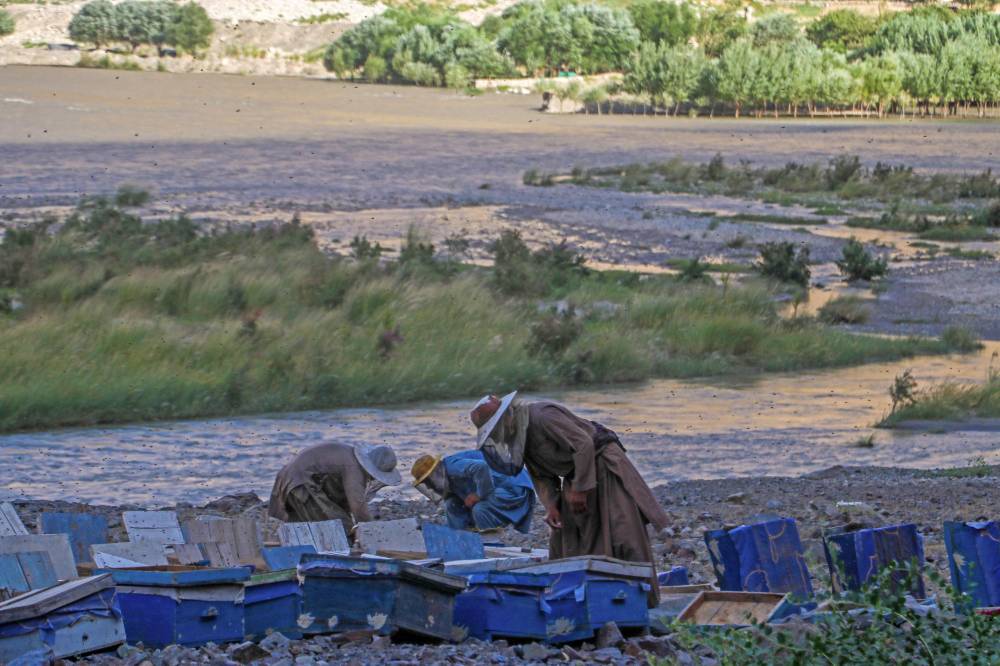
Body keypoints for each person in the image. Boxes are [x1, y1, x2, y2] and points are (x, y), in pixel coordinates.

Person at [471, 391, 670, 601]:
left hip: (602, 464)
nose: (497, 436)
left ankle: (642, 601)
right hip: (575, 475)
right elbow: (542, 476)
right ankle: (585, 599)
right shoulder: (521, 438)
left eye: (495, 429)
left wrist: (580, 489)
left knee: (623, 532)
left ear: (506, 418)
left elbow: (584, 444)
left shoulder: (543, 416)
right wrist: (551, 506)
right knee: (567, 536)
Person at [268, 442, 402, 527]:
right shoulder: (353, 468)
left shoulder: (347, 456)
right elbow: (358, 506)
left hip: (290, 478)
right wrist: (370, 531)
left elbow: (342, 500)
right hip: (300, 483)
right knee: (340, 526)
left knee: (302, 529)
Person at [411, 450, 536, 533]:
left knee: (480, 508)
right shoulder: (447, 477)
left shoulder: (452, 466)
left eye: (428, 482)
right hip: (498, 487)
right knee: (451, 503)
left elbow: (481, 467)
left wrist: (478, 495)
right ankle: (460, 537)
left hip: (515, 486)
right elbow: (453, 502)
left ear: (435, 474)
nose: (429, 487)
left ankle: (490, 542)